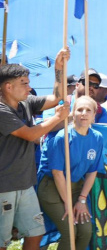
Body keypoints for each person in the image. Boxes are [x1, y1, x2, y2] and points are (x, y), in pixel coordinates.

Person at [0, 49, 70, 250]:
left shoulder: (26, 103)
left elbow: (57, 97)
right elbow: (31, 135)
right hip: (4, 186)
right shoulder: (1, 110)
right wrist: (57, 118)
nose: (30, 88)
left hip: (25, 183)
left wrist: (59, 68)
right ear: (8, 86)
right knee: (2, 242)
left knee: (36, 233)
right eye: (24, 83)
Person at [37, 96, 103, 250]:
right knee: (70, 232)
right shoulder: (63, 137)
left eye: (88, 110)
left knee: (86, 232)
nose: (84, 113)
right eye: (79, 110)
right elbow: (57, 173)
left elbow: (92, 172)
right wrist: (68, 204)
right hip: (52, 187)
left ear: (94, 115)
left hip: (75, 187)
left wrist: (81, 200)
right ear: (73, 113)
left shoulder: (97, 138)